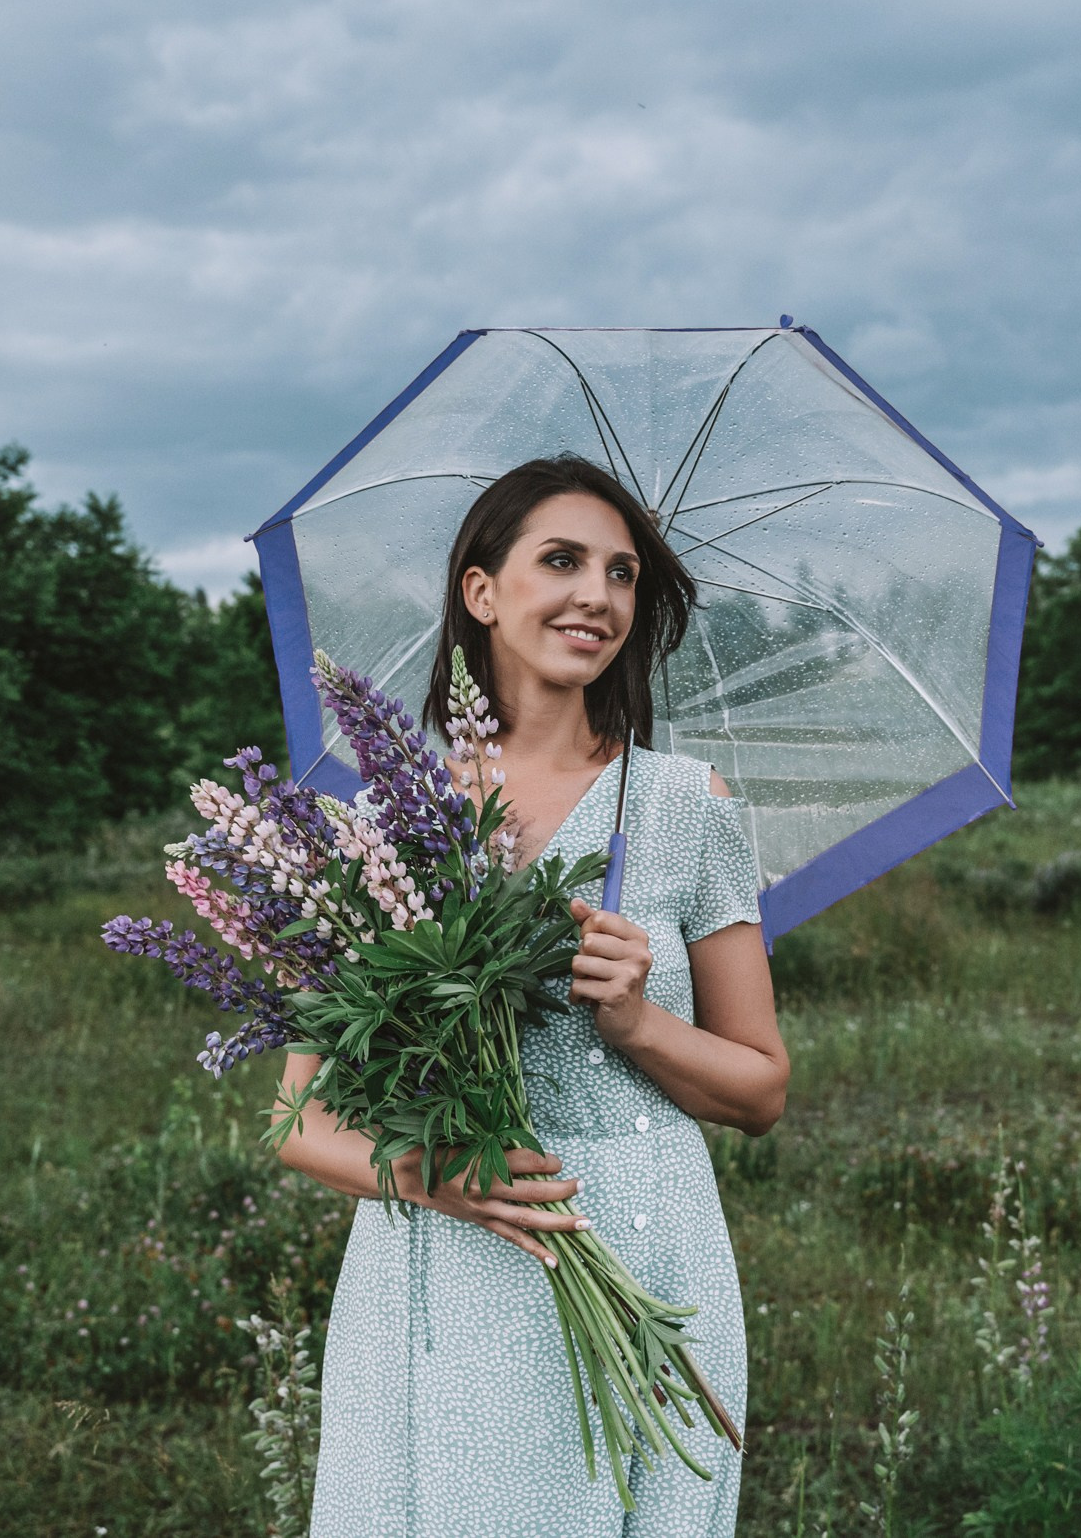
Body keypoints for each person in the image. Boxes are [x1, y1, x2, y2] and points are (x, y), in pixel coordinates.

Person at [272, 454, 791, 1537]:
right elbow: (296, 1121)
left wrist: (639, 1022)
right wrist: (438, 1180)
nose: (596, 594)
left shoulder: (684, 804)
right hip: (450, 1256)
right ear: (480, 590)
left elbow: (761, 1088)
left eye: (621, 573)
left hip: (646, 1242)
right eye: (561, 560)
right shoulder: (381, 828)